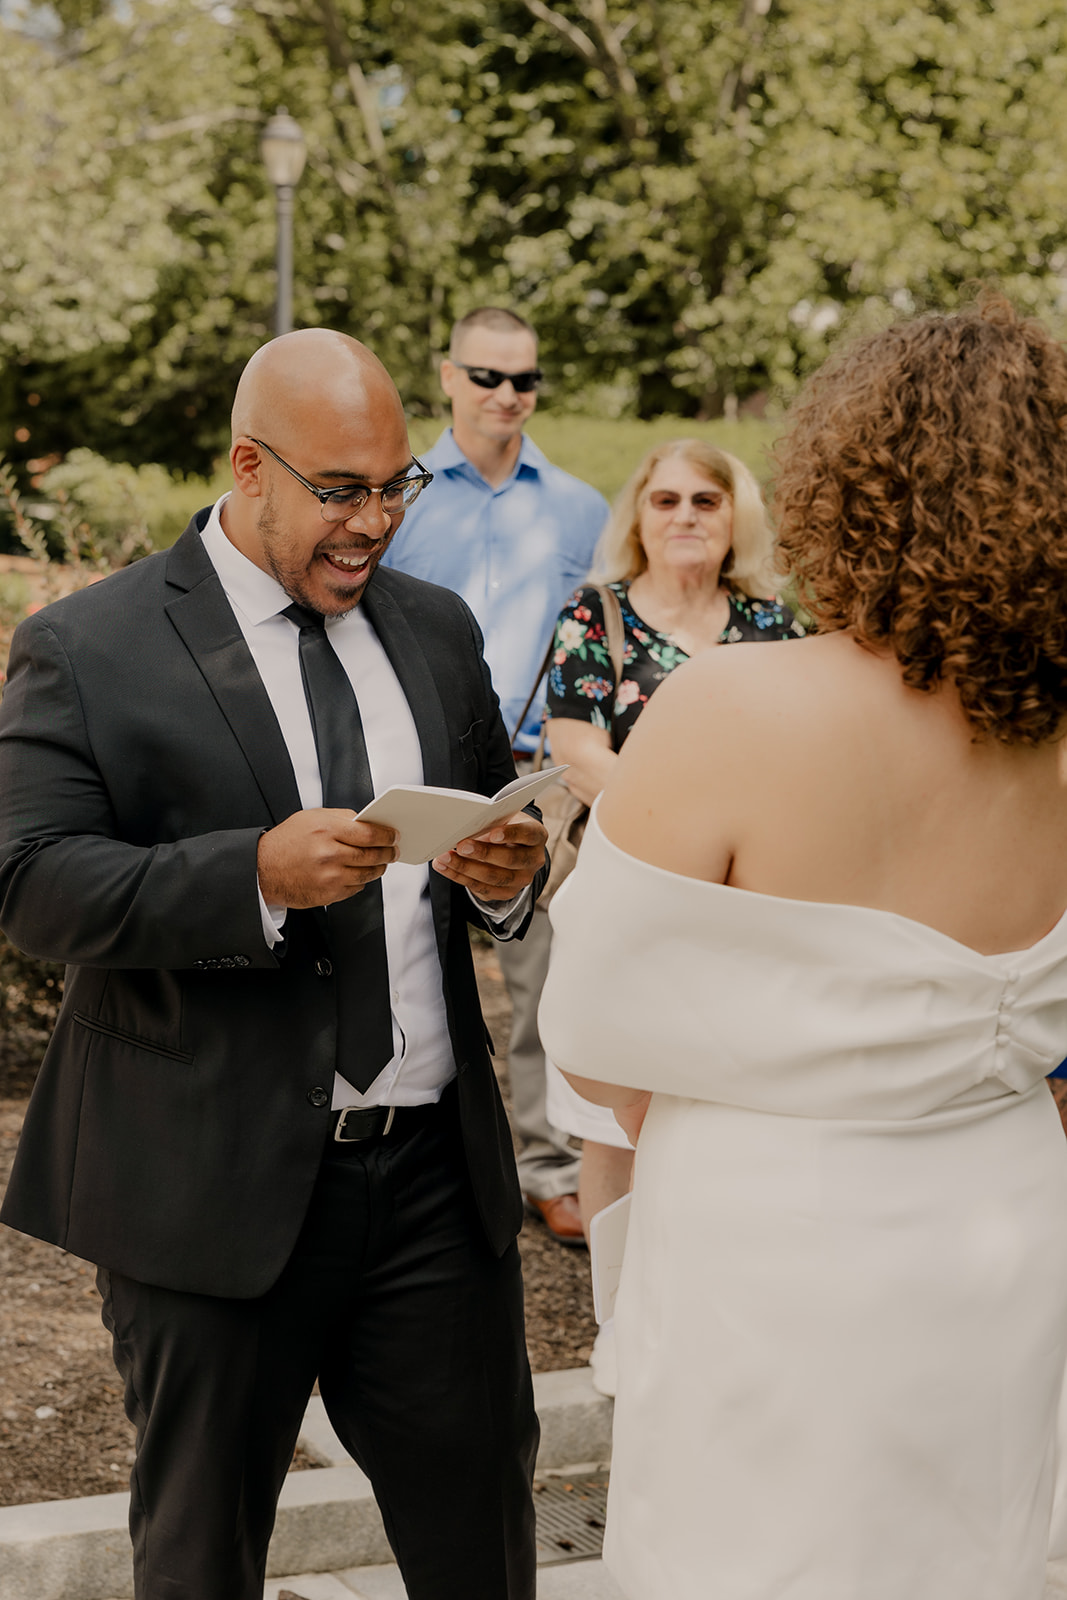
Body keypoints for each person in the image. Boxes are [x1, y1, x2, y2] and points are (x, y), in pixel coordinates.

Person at [0, 329, 548, 1600]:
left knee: (483, 1546)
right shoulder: (93, 646)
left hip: (429, 1186)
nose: (375, 524)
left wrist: (508, 880)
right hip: (207, 1187)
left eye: (394, 485)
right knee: (200, 1556)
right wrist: (250, 875)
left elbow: (482, 832)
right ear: (248, 468)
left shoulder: (435, 628)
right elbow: (29, 882)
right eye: (340, 493)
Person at [539, 297, 1067, 1599]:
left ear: (846, 483)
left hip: (771, 1253)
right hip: (1004, 1225)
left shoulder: (725, 707)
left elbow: (591, 1036)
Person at [542, 438, 804, 1391]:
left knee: (723, 1109)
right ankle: (619, 1325)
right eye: (665, 499)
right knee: (612, 1118)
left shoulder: (775, 624)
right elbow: (573, 747)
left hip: (746, 911)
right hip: (631, 895)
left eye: (706, 497)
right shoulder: (595, 616)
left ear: (734, 515)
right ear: (637, 516)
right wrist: (693, 828)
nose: (685, 514)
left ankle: (716, 1319)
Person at [383, 306, 608, 1244]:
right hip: (411, 756)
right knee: (395, 952)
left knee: (544, 976)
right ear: (446, 376)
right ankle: (403, 1152)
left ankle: (547, 1164)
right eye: (486, 377)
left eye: (523, 380)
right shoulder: (399, 494)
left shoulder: (581, 509)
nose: (506, 396)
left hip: (537, 772)